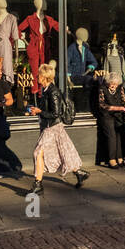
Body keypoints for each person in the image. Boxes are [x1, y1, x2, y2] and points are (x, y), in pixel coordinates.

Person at [27, 62, 89, 196]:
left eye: (39, 75)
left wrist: (39, 111)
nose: (37, 77)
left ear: (44, 77)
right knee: (64, 152)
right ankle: (79, 173)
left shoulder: (53, 91)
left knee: (38, 153)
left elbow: (56, 113)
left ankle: (38, 184)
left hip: (52, 128)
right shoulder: (45, 90)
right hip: (50, 127)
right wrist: (37, 110)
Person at [97, 72, 125, 166]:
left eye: (116, 84)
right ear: (108, 82)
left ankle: (119, 157)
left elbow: (124, 102)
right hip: (106, 115)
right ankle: (111, 159)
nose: (114, 86)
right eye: (112, 83)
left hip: (118, 116)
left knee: (119, 136)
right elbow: (102, 105)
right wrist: (118, 108)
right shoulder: (102, 88)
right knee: (111, 136)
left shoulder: (120, 88)